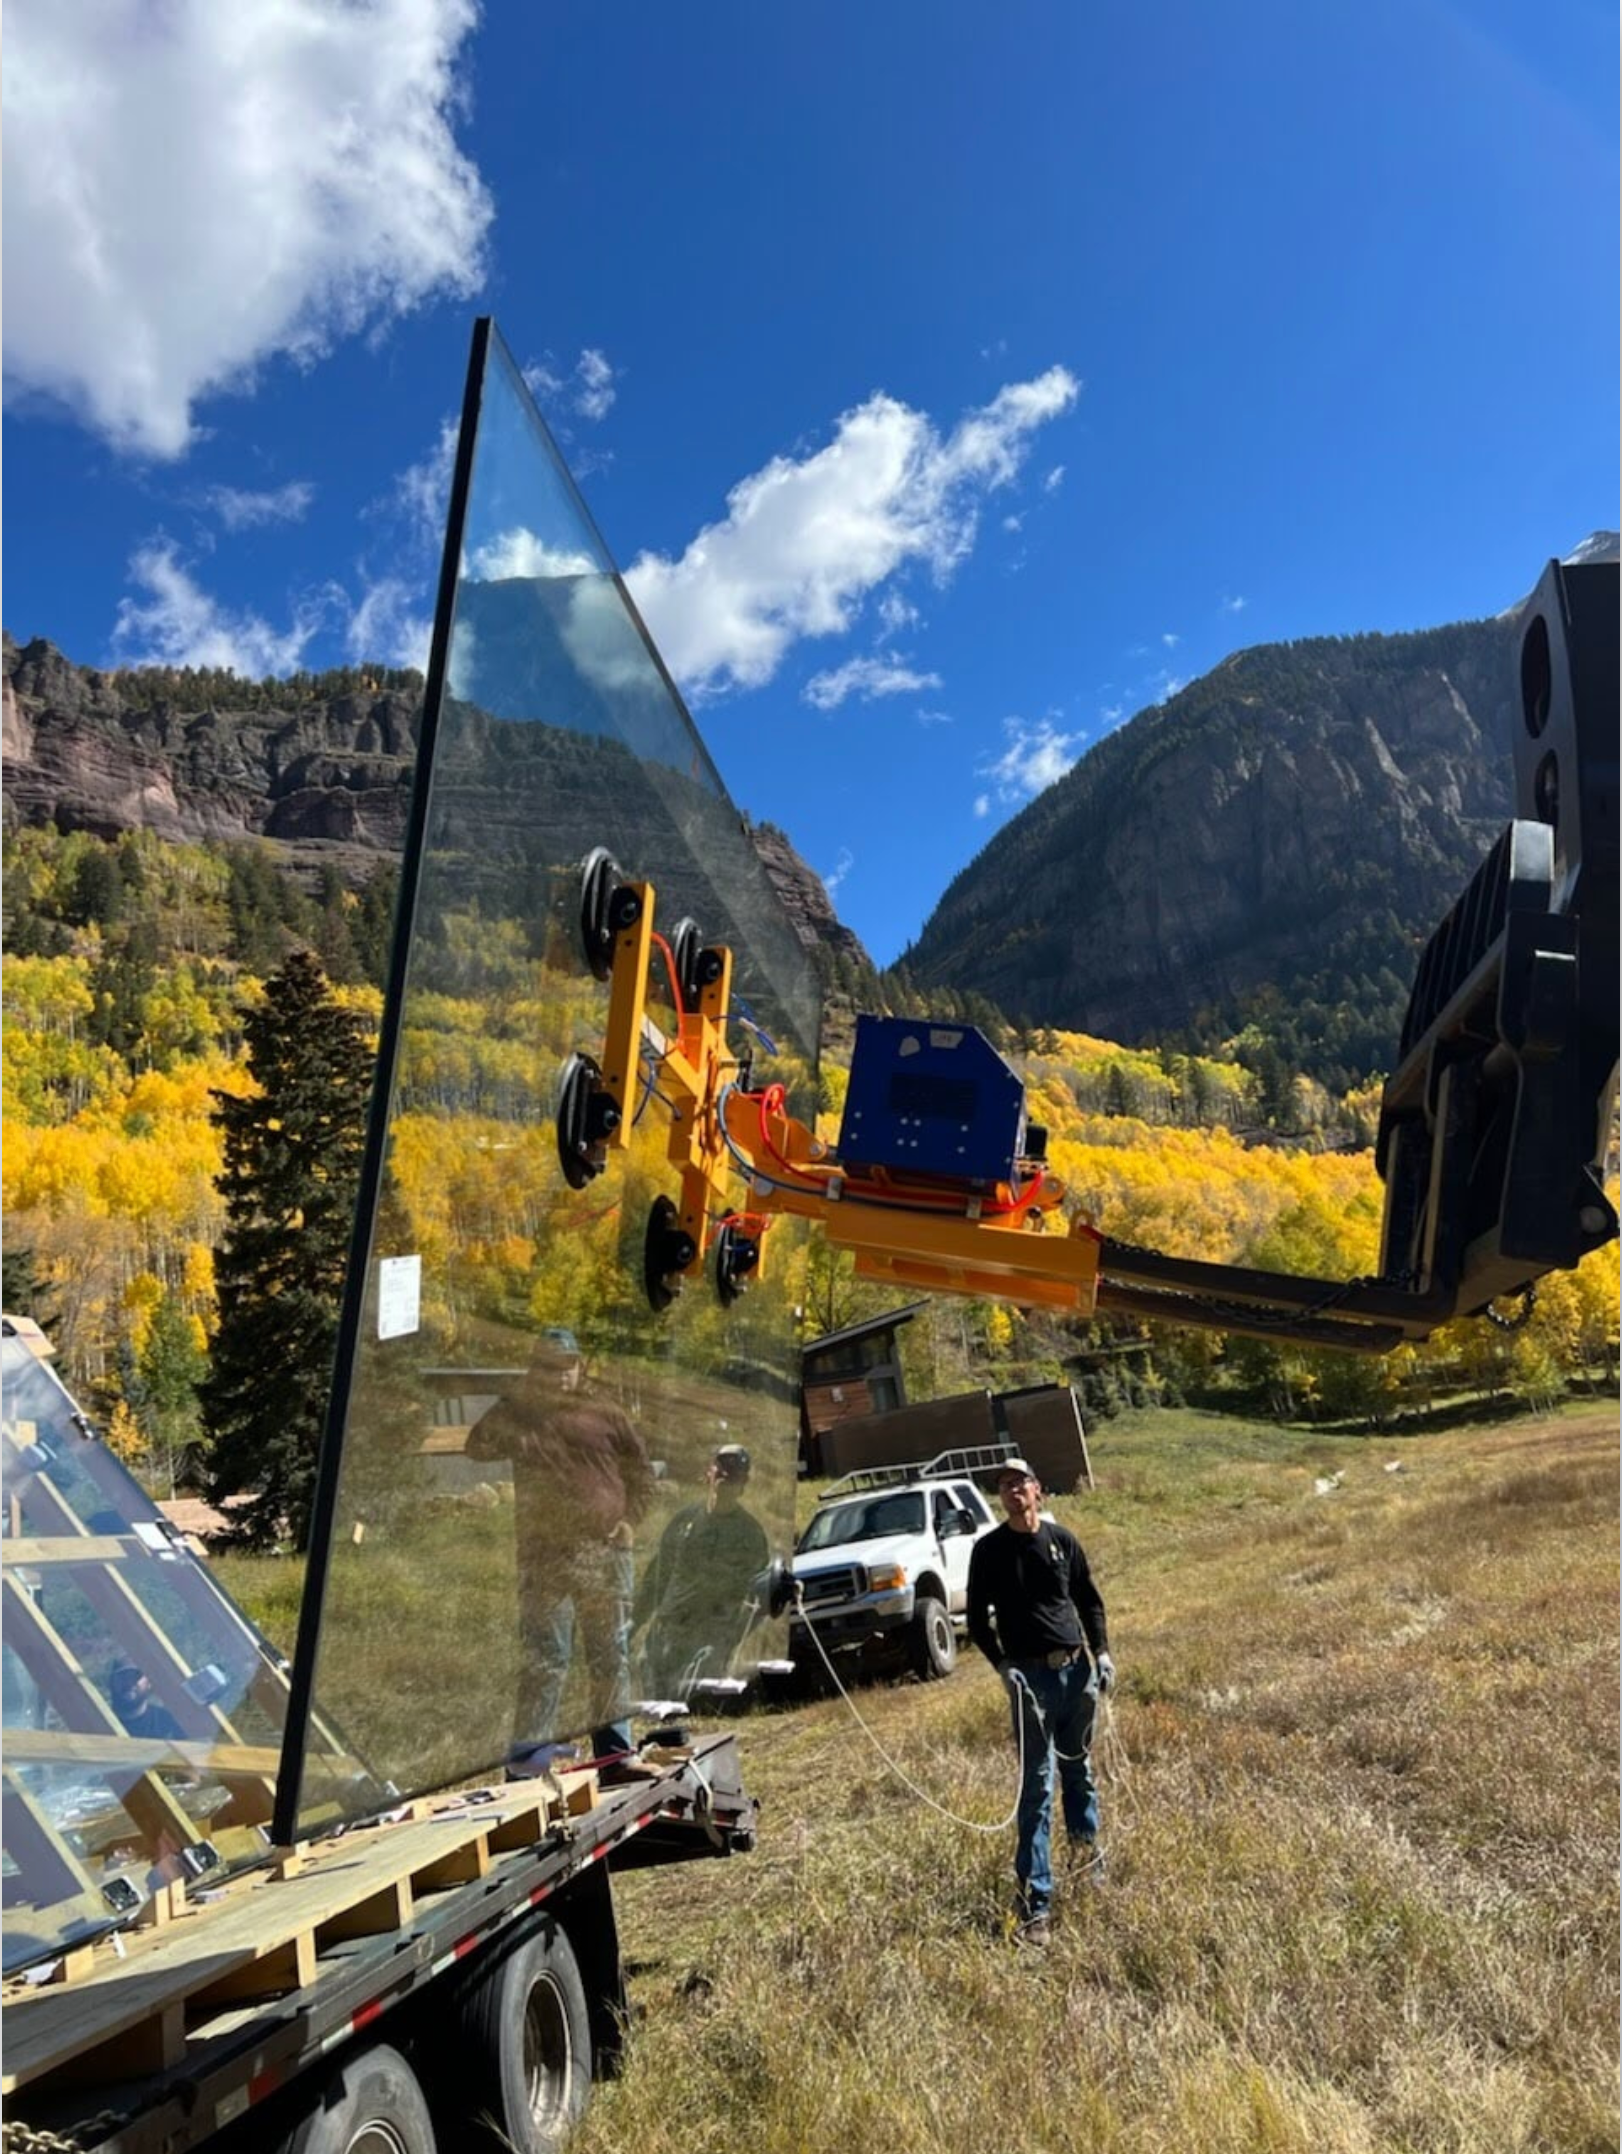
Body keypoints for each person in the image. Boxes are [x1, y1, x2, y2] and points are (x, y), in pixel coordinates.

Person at [466, 1330, 653, 1771]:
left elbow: (642, 1473)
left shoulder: (606, 1413)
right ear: (535, 1370)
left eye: (567, 1363)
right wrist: (514, 1403)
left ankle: (616, 1758)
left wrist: (630, 1522)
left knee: (610, 1658)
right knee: (545, 1661)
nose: (560, 1374)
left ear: (580, 1364)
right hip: (544, 1558)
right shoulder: (519, 1415)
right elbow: (476, 1446)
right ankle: (528, 1766)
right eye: (549, 1366)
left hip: (604, 1554)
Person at [966, 1456, 1115, 1945]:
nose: (1012, 1492)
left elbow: (1088, 1599)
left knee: (1080, 1773)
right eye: (1004, 1486)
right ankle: (1036, 1906)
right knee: (1037, 1788)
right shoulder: (988, 1551)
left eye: (1020, 1483)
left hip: (1077, 1673)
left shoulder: (1062, 1541)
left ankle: (1088, 1867)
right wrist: (1003, 1667)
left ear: (1038, 1491)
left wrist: (1103, 1654)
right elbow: (976, 1620)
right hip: (1029, 1682)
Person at [632, 1444, 769, 1698]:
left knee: (694, 1710)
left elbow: (757, 1598)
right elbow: (658, 1575)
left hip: (710, 1638)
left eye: (734, 1473)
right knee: (657, 1707)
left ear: (744, 1482)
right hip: (668, 1631)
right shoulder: (685, 1520)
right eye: (722, 1469)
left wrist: (729, 1638)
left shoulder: (750, 1534)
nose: (726, 1478)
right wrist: (635, 1620)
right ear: (709, 1473)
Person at [109, 1663, 186, 1742]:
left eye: (135, 1677)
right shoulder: (101, 1721)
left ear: (149, 1683)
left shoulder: (168, 1721)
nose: (129, 1683)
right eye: (123, 1678)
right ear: (111, 1683)